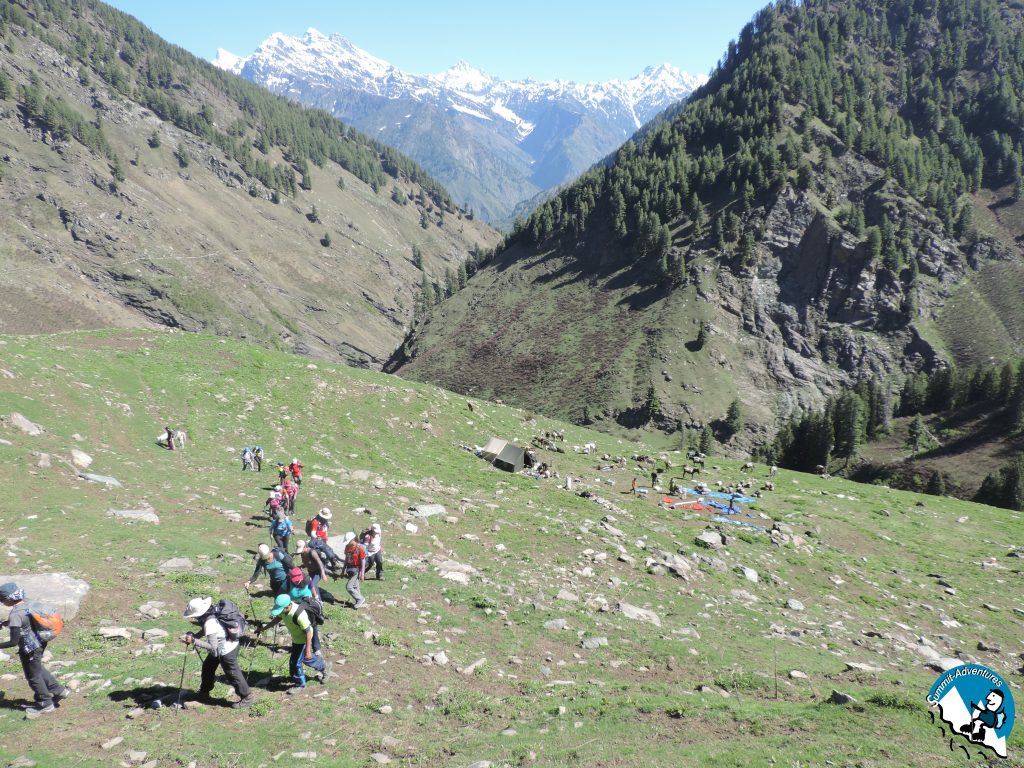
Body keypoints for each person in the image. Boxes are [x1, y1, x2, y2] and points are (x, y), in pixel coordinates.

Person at [0, 583, 71, 716]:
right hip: (40, 641)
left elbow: (13, 641)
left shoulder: (15, 614)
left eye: (2, 600)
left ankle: (46, 703)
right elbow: (26, 620)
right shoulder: (27, 603)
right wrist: (6, 623)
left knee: (33, 676)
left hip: (29, 647)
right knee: (38, 669)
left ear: (9, 599)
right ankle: (60, 691)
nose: (2, 602)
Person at [181, 597, 254, 709]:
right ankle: (204, 693)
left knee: (232, 673)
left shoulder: (209, 623)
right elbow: (208, 633)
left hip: (227, 649)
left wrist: (194, 641)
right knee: (208, 667)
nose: (195, 618)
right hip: (224, 645)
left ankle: (247, 697)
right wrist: (195, 636)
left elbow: (212, 647)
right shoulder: (212, 613)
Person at [259, 594, 328, 694]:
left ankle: (300, 684)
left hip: (303, 640)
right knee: (301, 660)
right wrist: (263, 628)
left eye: (281, 609)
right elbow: (278, 618)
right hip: (296, 639)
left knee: (297, 663)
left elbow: (309, 632)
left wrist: (308, 650)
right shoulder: (284, 611)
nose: (280, 612)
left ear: (287, 606)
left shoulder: (299, 615)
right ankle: (324, 667)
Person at [286, 568, 321, 653]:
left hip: (307, 604)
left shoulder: (307, 579)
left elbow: (312, 587)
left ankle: (316, 648)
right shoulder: (287, 582)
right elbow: (283, 592)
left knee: (312, 625)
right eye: (294, 580)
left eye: (298, 580)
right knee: (297, 626)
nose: (297, 582)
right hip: (295, 606)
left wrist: (316, 597)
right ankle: (300, 647)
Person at [342, 531, 366, 609]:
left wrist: (362, 574)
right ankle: (359, 602)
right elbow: (346, 559)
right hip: (349, 569)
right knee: (355, 586)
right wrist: (343, 570)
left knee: (349, 587)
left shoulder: (360, 548)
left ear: (353, 539)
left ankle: (360, 599)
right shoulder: (347, 547)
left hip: (356, 569)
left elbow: (363, 561)